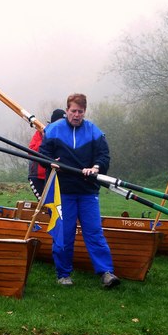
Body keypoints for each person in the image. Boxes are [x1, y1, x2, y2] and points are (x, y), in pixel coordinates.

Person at [39, 93, 120, 289]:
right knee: (64, 234)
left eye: (80, 112)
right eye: (73, 111)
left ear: (85, 112)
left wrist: (96, 168)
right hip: (63, 191)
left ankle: (106, 272)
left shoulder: (94, 131)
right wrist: (51, 163)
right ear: (67, 110)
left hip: (87, 191)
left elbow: (103, 156)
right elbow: (42, 154)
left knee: (94, 233)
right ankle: (63, 274)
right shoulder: (53, 130)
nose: (76, 115)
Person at [28, 109, 66, 200]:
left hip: (56, 177)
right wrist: (44, 139)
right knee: (46, 206)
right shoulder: (40, 133)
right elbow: (31, 152)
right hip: (38, 177)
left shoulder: (66, 135)